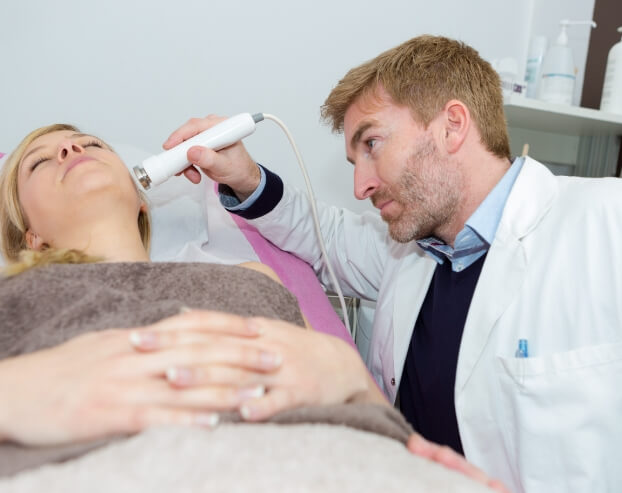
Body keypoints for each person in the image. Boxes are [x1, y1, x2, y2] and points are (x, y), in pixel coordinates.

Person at [165, 35, 622, 493]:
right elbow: (324, 233)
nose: (360, 185)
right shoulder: (407, 256)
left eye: (373, 144)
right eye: (353, 160)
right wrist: (246, 178)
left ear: (453, 125)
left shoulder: (604, 224)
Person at [0, 123, 508, 491]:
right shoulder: (14, 299)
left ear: (141, 197)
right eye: (41, 160)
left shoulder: (252, 279)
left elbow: (352, 406)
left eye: (91, 143)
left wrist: (355, 382)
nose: (71, 146)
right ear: (32, 238)